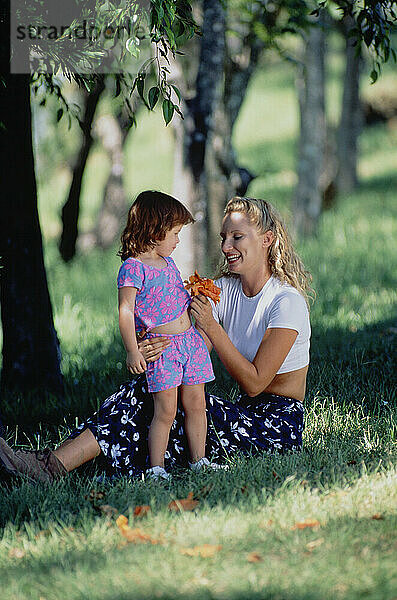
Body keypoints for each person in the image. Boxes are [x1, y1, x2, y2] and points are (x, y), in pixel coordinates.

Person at [0, 196, 312, 484]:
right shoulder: (226, 290)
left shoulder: (285, 302)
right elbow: (191, 343)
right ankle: (52, 463)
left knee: (148, 401)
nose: (226, 246)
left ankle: (52, 465)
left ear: (267, 239)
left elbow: (255, 383)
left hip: (274, 428)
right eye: (223, 237)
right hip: (240, 413)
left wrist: (213, 329)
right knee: (156, 392)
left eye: (237, 237)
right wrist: (153, 347)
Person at [116, 191, 220, 480]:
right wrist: (132, 350)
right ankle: (156, 467)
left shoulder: (169, 264)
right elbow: (126, 311)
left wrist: (194, 294)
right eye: (174, 233)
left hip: (190, 344)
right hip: (165, 351)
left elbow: (171, 300)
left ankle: (199, 459)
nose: (177, 240)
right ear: (154, 229)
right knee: (166, 410)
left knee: (197, 404)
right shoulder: (133, 268)